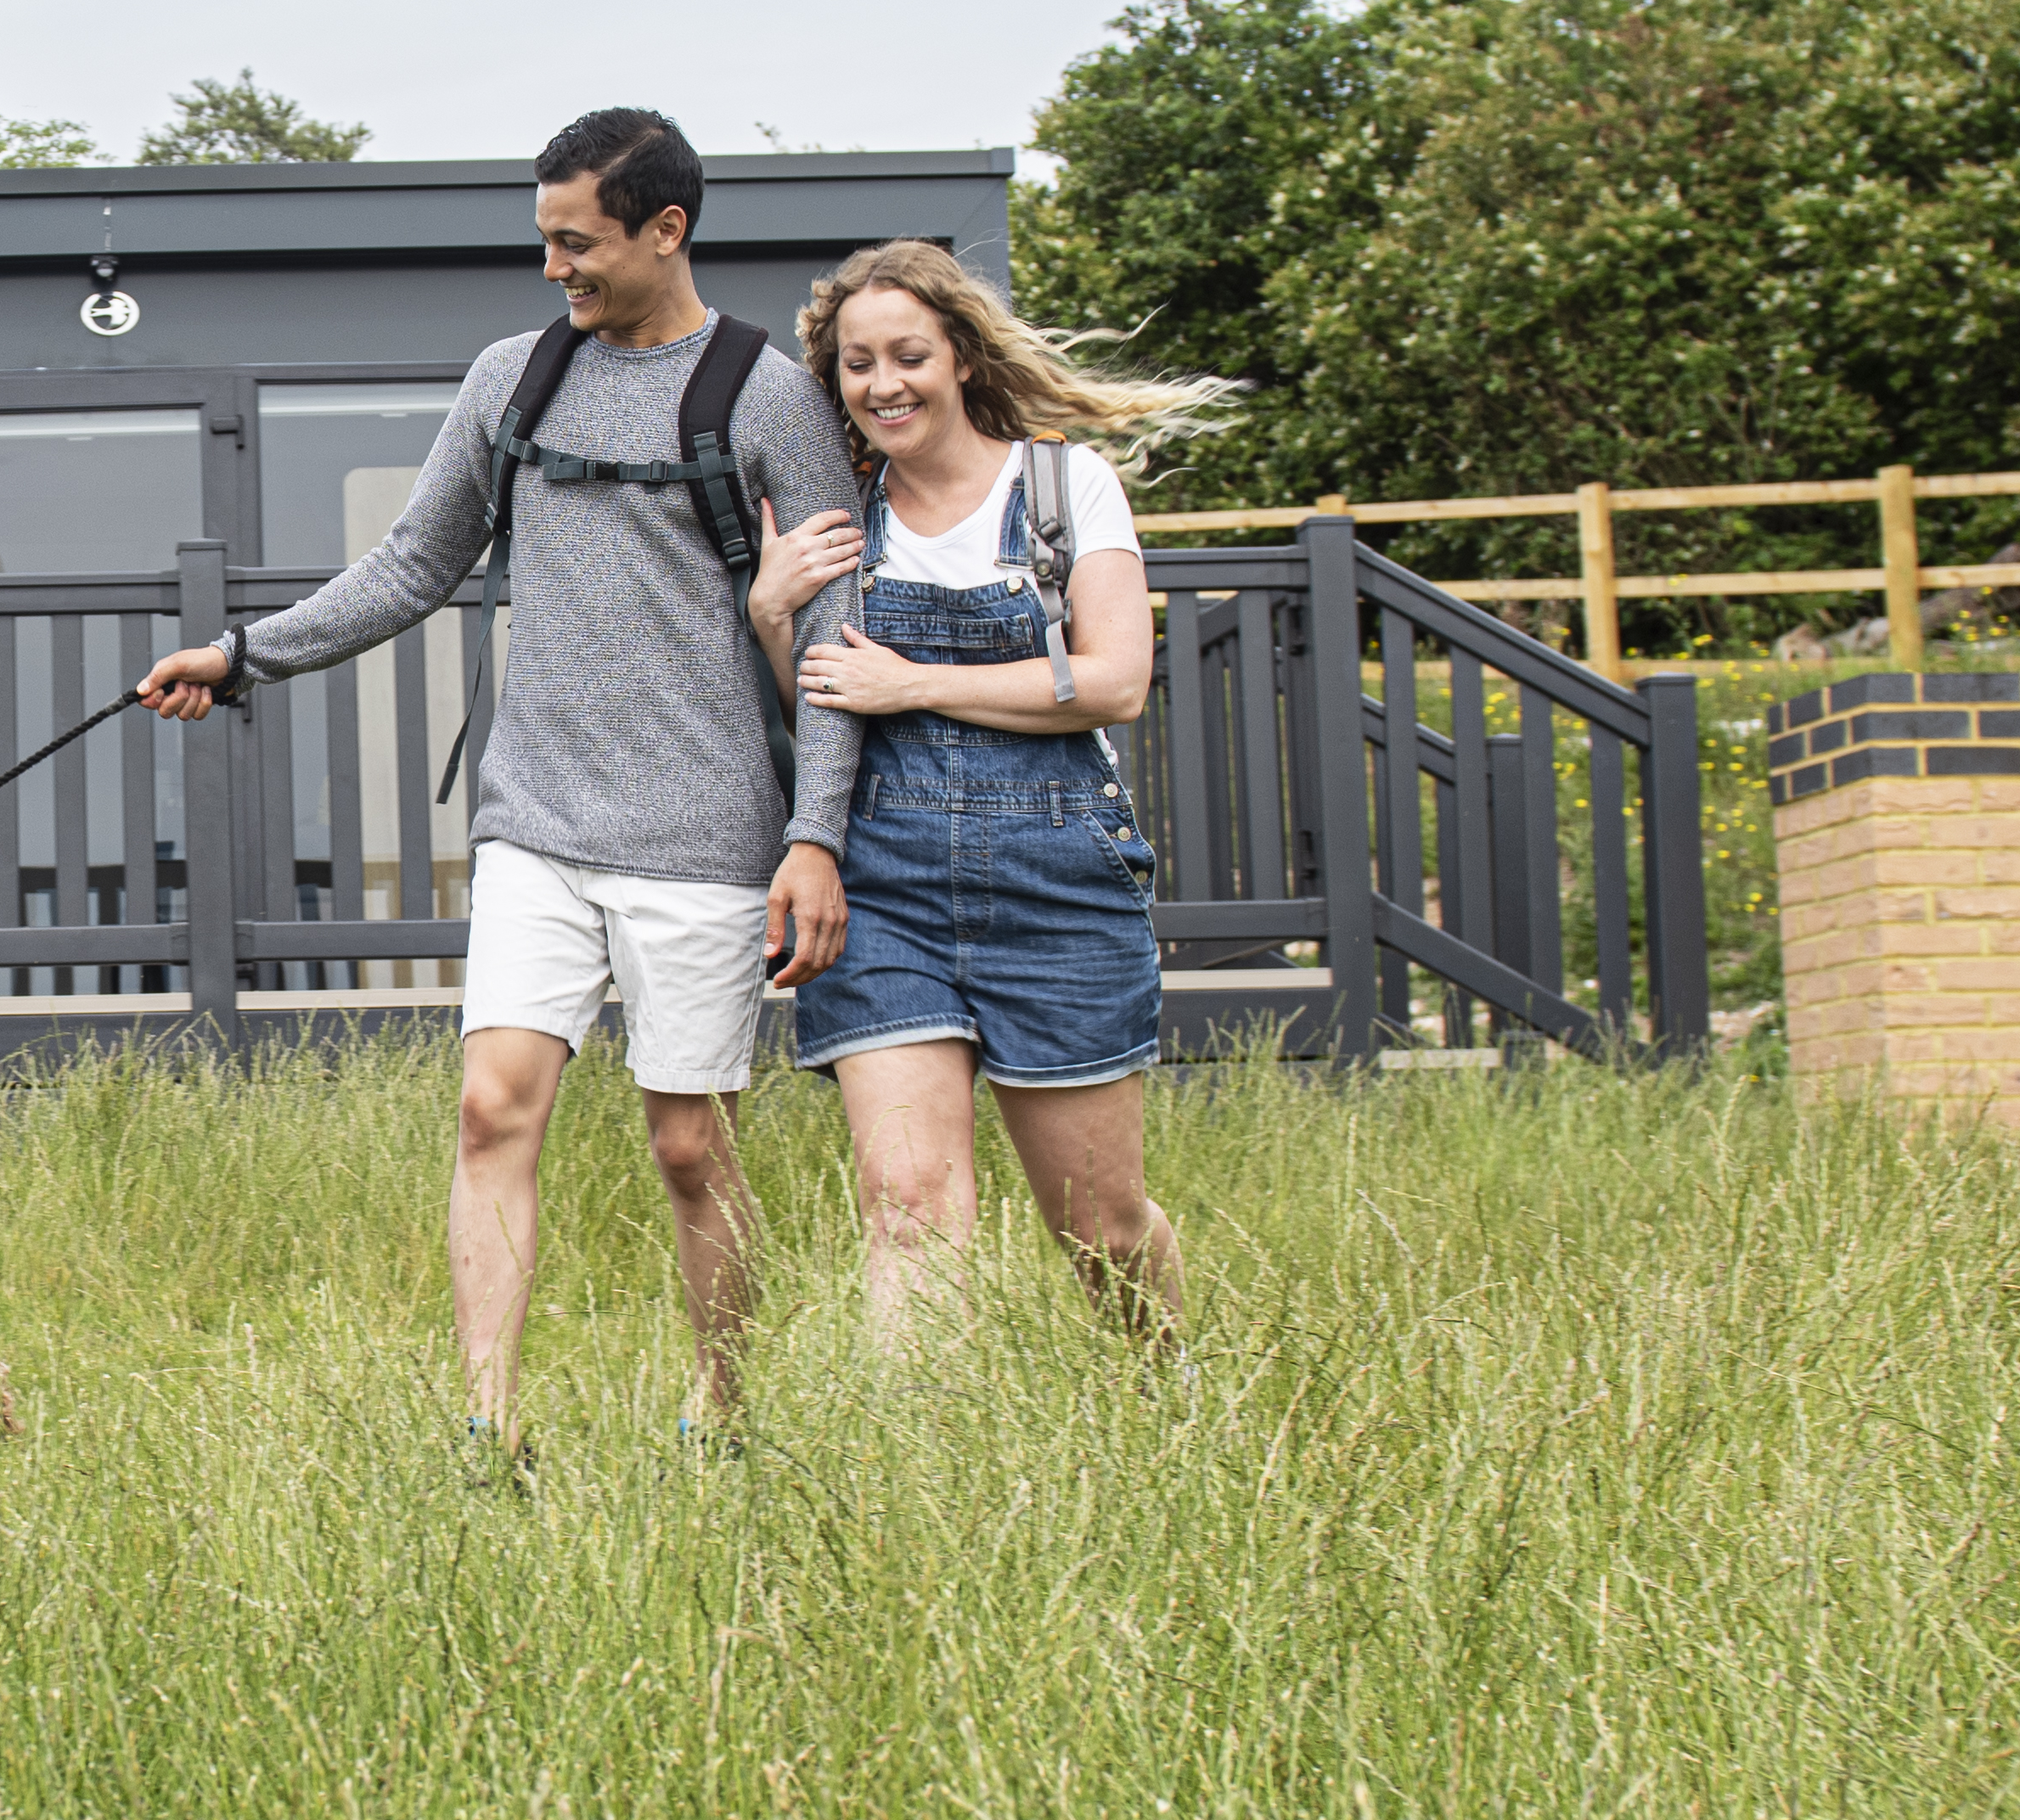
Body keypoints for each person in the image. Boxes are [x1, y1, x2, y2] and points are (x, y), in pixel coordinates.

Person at [134, 110, 861, 1466]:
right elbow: (412, 564)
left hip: (705, 834)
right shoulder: (509, 382)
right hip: (534, 820)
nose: (551, 268)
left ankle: (722, 1405)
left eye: (576, 242)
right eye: (543, 240)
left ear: (665, 230)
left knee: (688, 1145)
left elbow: (834, 637)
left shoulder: (765, 396)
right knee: (489, 1110)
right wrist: (241, 657)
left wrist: (813, 836)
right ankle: (485, 1425)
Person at [744, 236, 1226, 1346]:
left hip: (1059, 886)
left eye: (907, 356)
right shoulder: (837, 514)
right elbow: (823, 710)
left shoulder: (1062, 487)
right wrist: (772, 617)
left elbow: (1114, 681)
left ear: (959, 354)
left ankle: (1173, 1393)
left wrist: (914, 682)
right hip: (883, 889)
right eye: (858, 365)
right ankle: (919, 1453)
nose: (884, 384)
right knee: (907, 1208)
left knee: (1098, 1227)